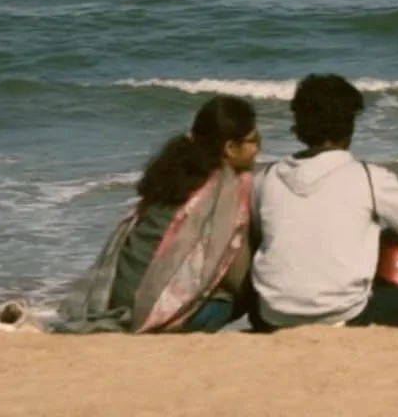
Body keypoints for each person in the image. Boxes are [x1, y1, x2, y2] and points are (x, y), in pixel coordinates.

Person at [51, 95, 262, 334]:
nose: (258, 148)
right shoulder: (227, 187)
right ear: (230, 148)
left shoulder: (174, 171)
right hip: (154, 311)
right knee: (244, 293)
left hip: (121, 300)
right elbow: (236, 275)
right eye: (254, 140)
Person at [249, 74, 398, 329]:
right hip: (343, 314)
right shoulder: (368, 177)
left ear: (298, 125)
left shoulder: (266, 177)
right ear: (349, 126)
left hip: (273, 315)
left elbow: (257, 237)